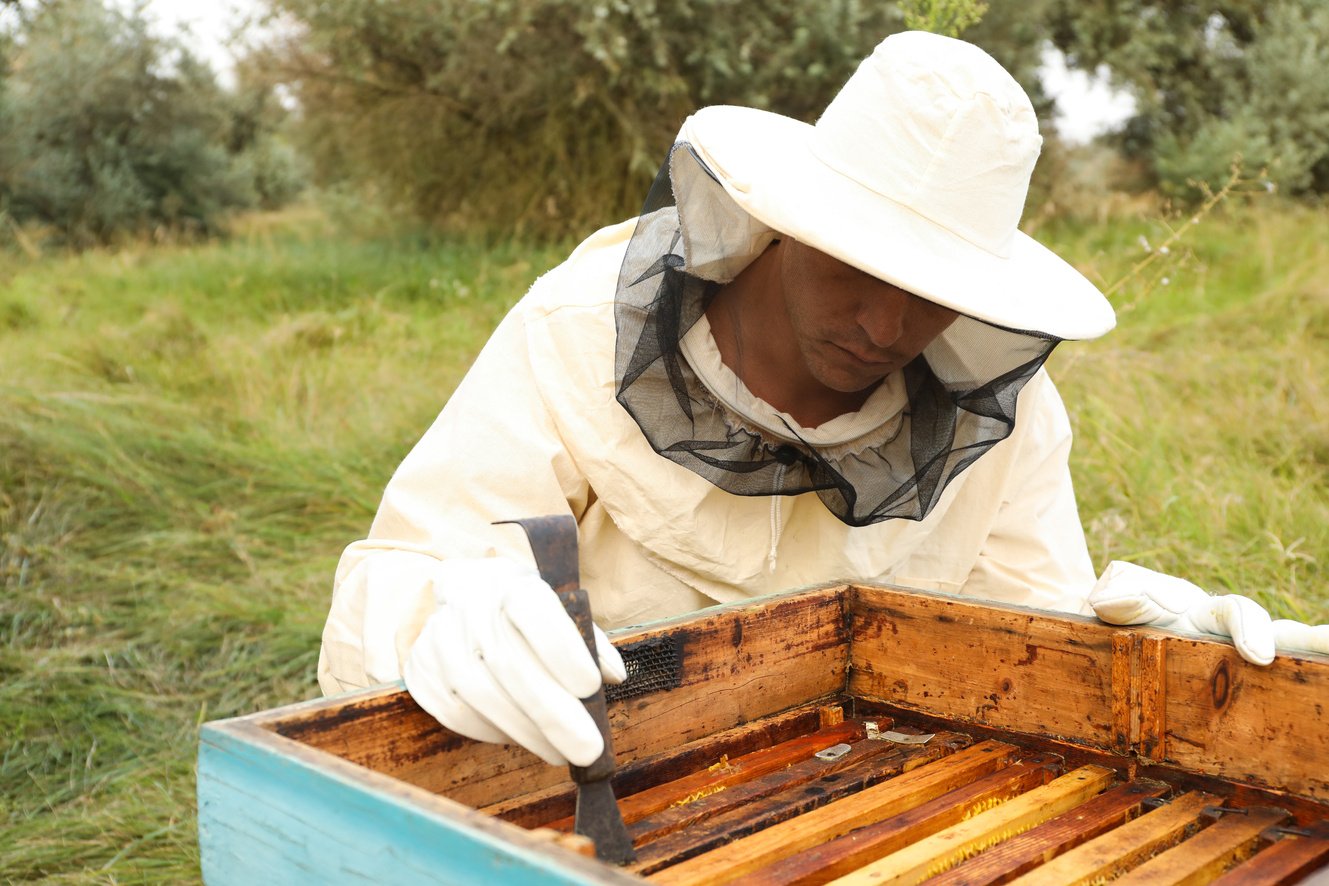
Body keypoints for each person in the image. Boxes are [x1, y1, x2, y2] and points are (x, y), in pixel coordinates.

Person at [318, 32, 1327, 770]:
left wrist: (1152, 657)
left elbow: (1023, 639)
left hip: (864, 805)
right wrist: (440, 612)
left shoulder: (1003, 412)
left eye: (934, 293)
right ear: (785, 223)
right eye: (861, 267)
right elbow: (409, 568)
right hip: (589, 794)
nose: (888, 326)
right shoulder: (578, 328)